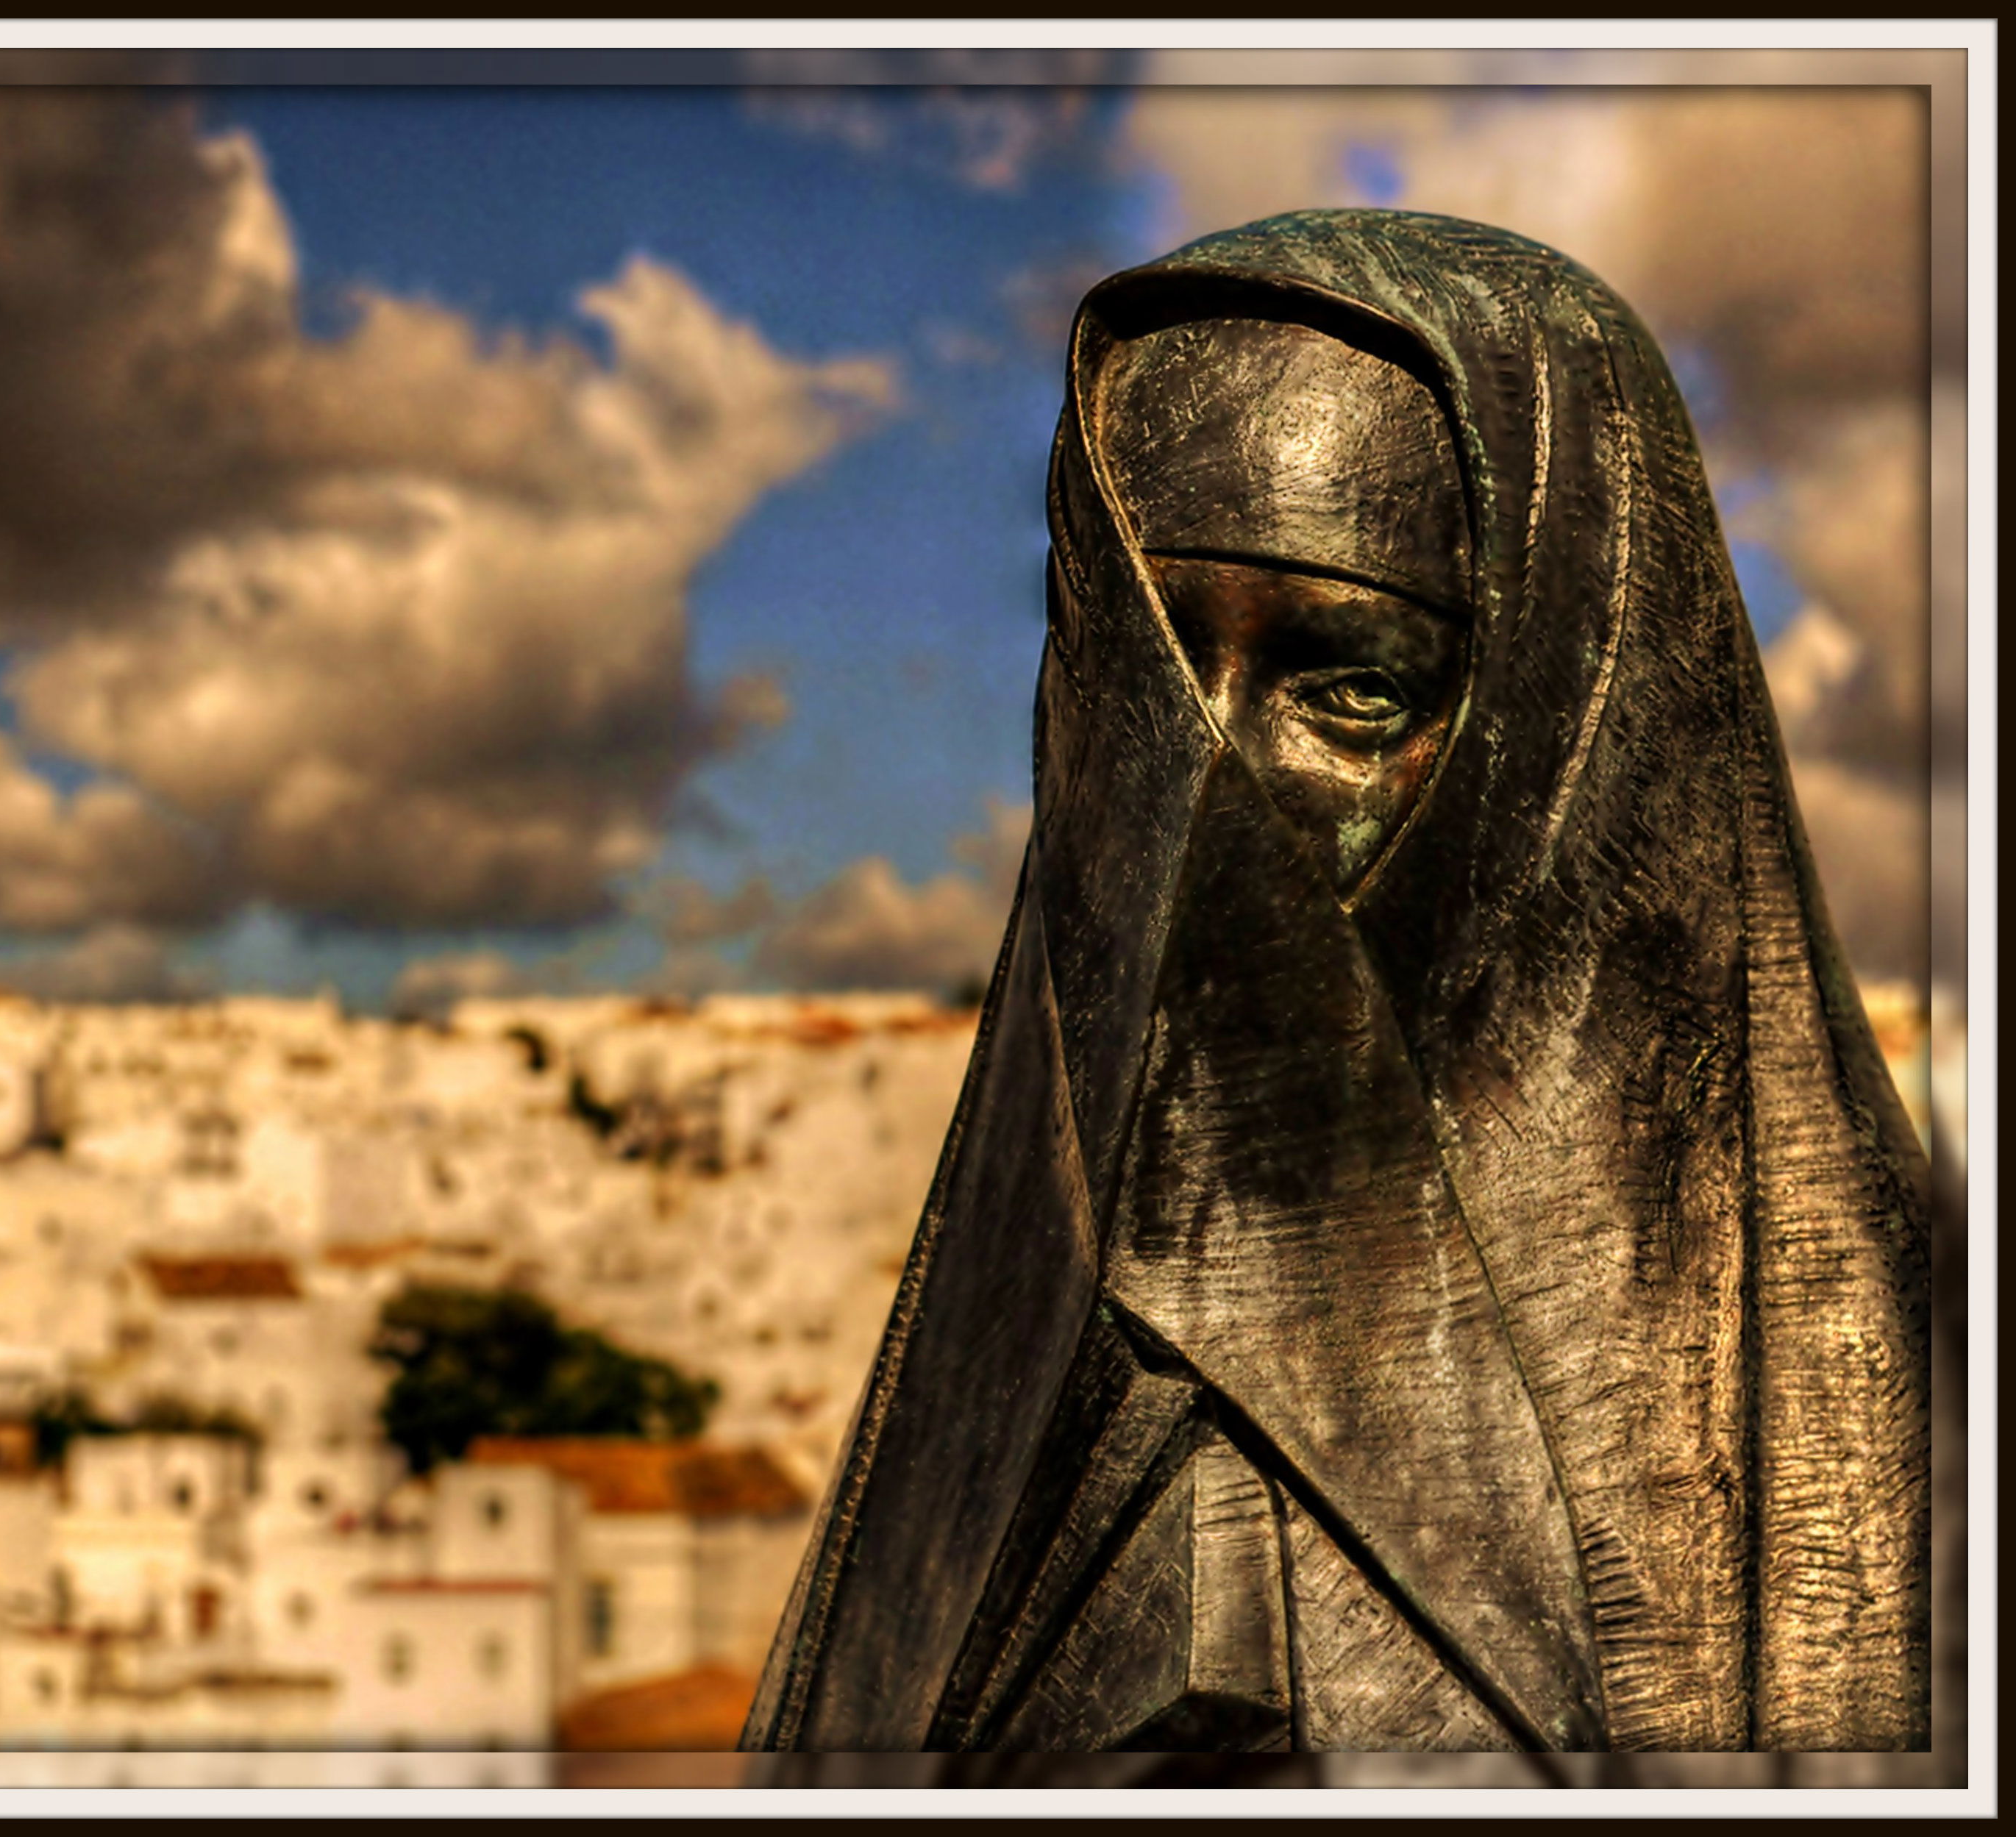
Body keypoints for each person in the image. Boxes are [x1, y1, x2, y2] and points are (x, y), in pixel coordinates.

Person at [742, 209, 1931, 1759]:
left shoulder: (1879, 1427)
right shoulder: (1014, 1355)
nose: (1203, 777)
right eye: (1145, 679)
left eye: (1350, 689)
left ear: (1570, 739)